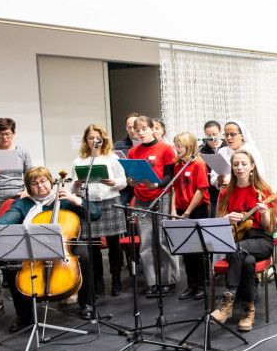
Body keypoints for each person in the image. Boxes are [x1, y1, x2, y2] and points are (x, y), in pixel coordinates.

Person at [0, 167, 101, 331]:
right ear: (29, 187)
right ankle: (24, 315)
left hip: (65, 244)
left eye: (43, 181)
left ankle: (87, 304)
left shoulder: (64, 199)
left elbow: (95, 214)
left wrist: (75, 199)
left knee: (84, 254)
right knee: (10, 262)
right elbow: (3, 223)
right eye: (34, 183)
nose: (40, 186)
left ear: (50, 182)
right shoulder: (22, 203)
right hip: (34, 246)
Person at [210, 150, 275, 332]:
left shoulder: (263, 191)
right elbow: (216, 225)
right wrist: (226, 219)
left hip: (260, 239)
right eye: (236, 164)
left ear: (252, 166)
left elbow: (268, 227)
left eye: (244, 164)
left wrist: (264, 214)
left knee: (238, 250)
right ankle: (248, 309)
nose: (240, 168)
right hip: (236, 239)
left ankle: (228, 298)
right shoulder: (225, 193)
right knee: (247, 262)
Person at [70, 124, 128, 297]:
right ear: (86, 141)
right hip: (90, 204)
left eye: (98, 138)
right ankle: (98, 282)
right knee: (93, 246)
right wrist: (76, 185)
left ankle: (116, 279)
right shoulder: (79, 161)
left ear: (103, 139)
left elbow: (123, 181)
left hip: (111, 202)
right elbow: (74, 190)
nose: (95, 141)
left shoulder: (112, 158)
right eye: (91, 138)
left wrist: (114, 182)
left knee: (114, 245)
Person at [126, 116, 178, 297]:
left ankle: (168, 280)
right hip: (141, 198)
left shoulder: (166, 149)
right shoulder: (133, 152)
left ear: (151, 129)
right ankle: (152, 281)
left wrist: (157, 185)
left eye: (144, 129)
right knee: (146, 241)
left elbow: (169, 176)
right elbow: (131, 176)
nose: (140, 133)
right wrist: (131, 182)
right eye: (137, 130)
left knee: (162, 240)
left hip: (161, 196)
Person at [171, 132, 210, 301]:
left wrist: (187, 211)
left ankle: (202, 284)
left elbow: (200, 191)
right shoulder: (177, 164)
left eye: (180, 146)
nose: (177, 149)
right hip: (181, 210)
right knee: (186, 250)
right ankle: (191, 284)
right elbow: (174, 189)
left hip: (196, 209)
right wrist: (173, 211)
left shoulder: (198, 164)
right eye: (176, 145)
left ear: (189, 146)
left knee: (197, 249)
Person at [210, 119, 267, 189]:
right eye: (226, 135)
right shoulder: (222, 151)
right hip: (226, 192)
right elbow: (213, 177)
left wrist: (233, 182)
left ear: (242, 135)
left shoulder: (252, 152)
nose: (229, 138)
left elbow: (260, 177)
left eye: (233, 134)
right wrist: (219, 180)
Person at [199, 120, 226, 217]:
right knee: (214, 216)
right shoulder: (201, 150)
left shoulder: (228, 146)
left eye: (214, 134)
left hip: (227, 187)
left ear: (220, 132)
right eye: (208, 135)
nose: (212, 138)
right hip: (210, 192)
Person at [113, 112, 141, 206]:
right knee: (120, 206)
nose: (132, 130)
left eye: (135, 127)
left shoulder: (149, 145)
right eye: (129, 127)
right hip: (126, 187)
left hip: (146, 186)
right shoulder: (118, 146)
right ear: (126, 129)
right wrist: (128, 181)